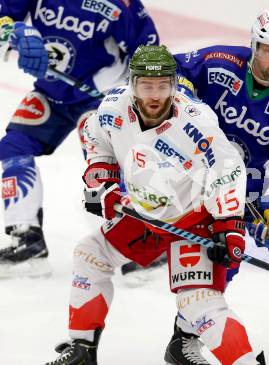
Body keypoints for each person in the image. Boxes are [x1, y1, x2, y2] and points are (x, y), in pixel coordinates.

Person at [44, 44, 265, 365]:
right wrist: (101, 184)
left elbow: (228, 168)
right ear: (133, 84)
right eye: (147, 86)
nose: (155, 95)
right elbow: (94, 137)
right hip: (144, 211)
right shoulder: (113, 108)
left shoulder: (196, 121)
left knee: (198, 302)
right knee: (90, 255)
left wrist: (229, 228)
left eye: (163, 85)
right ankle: (82, 350)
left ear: (174, 86)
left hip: (193, 220)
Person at [159, 9, 269, 365]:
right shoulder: (220, 61)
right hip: (202, 185)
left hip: (255, 188)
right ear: (254, 45)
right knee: (223, 260)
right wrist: (186, 100)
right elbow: (172, 67)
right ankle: (183, 337)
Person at [0, 0, 159, 277]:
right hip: (52, 94)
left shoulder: (121, 5)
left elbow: (150, 54)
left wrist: (130, 92)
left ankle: (142, 238)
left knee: (102, 158)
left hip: (102, 97)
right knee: (14, 147)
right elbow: (4, 18)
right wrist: (15, 34)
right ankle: (27, 241)